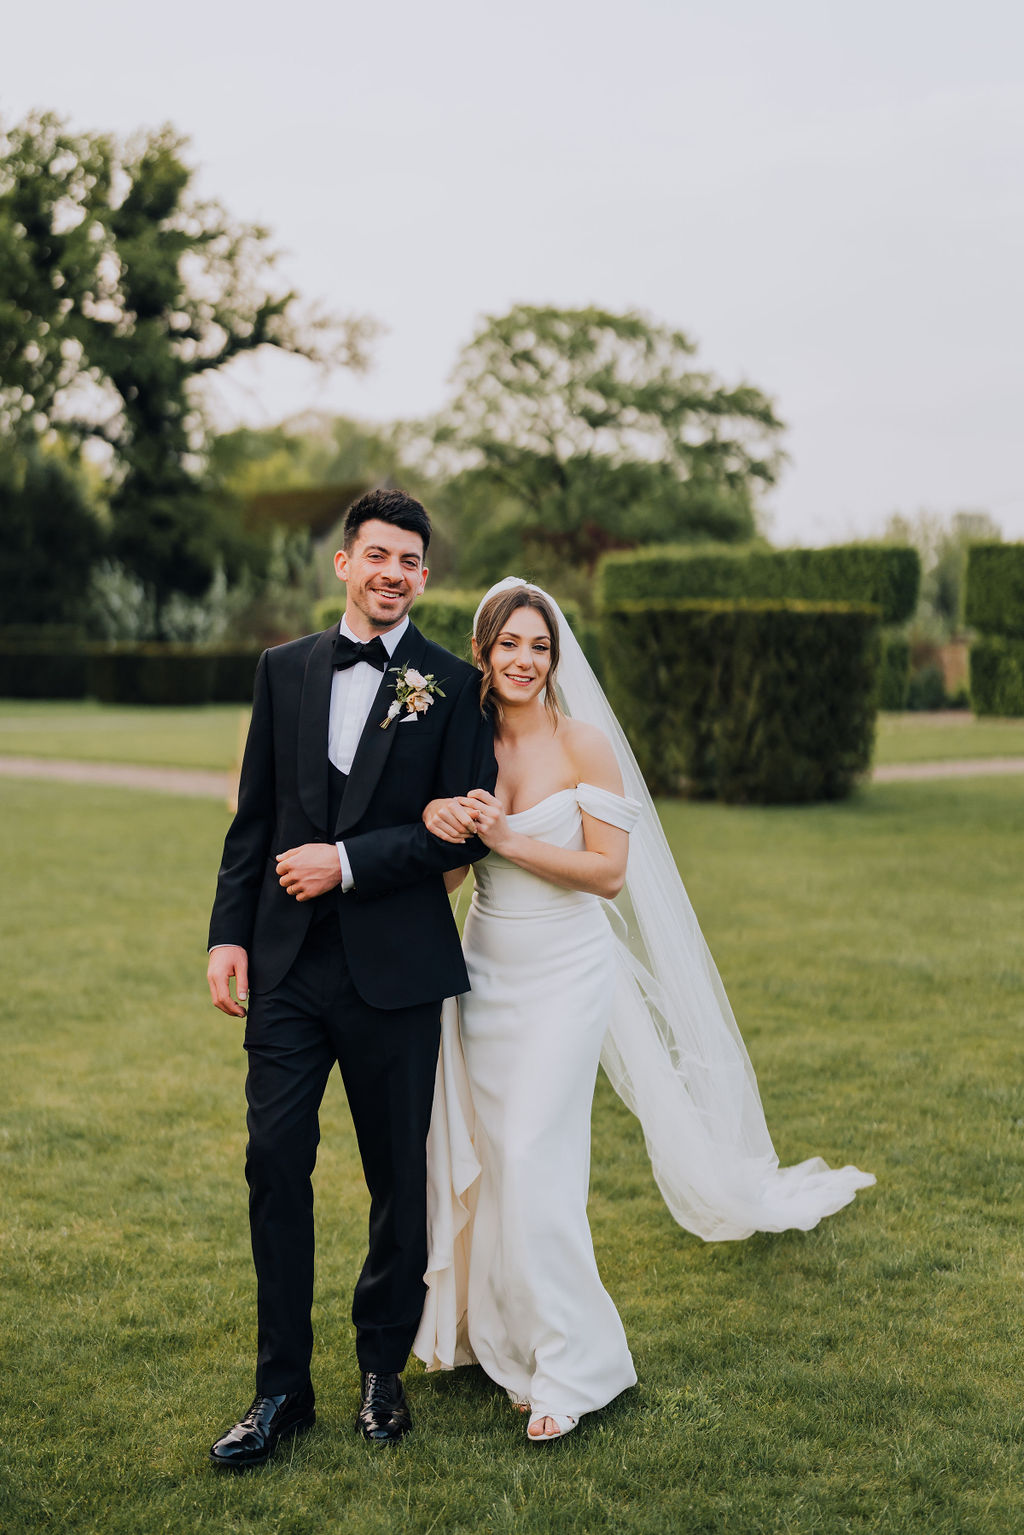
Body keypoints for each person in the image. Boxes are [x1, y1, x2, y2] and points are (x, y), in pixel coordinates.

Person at [413, 579, 875, 1443]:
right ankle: (507, 1338)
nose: (524, 659)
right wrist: (444, 828)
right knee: (500, 1159)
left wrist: (509, 837)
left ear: (553, 658)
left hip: (567, 966)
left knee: (536, 1153)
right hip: (486, 966)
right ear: (483, 653)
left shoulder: (583, 743)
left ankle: (578, 1364)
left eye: (539, 646)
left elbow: (609, 873)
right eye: (508, 644)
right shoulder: (463, 741)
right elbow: (447, 880)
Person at [205, 489, 496, 1468]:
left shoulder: (450, 683)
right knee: (275, 1162)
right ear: (343, 562)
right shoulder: (282, 670)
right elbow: (253, 819)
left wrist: (349, 860)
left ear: (424, 575)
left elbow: (457, 828)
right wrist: (225, 935)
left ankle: (382, 1371)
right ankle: (280, 1387)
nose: (392, 573)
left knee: (394, 1183)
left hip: (396, 968)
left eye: (410, 560)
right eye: (377, 554)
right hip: (284, 964)